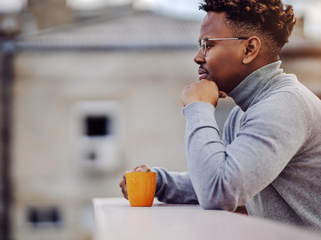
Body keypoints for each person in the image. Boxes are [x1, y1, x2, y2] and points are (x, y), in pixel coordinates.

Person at [119, 0, 321, 230]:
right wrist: (160, 183)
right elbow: (220, 178)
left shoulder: (285, 104)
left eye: (208, 45)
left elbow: (218, 193)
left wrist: (199, 107)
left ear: (249, 49)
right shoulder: (243, 113)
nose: (198, 57)